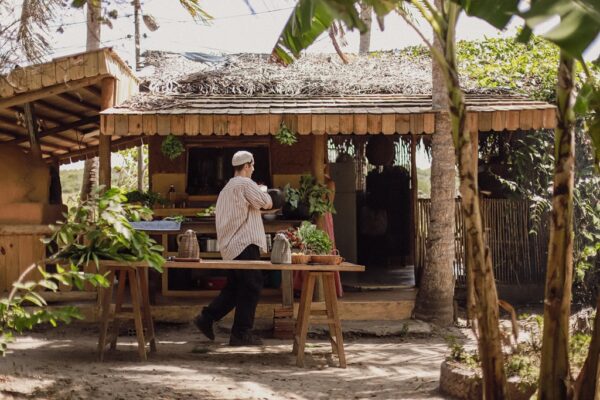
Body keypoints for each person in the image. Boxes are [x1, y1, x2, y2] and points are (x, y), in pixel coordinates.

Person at [194, 150, 273, 346]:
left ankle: (207, 317)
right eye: (252, 165)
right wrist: (268, 193)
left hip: (230, 246)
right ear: (246, 166)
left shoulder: (226, 188)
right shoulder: (245, 183)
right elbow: (266, 202)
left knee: (235, 288)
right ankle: (241, 333)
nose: (253, 169)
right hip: (244, 243)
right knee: (252, 285)